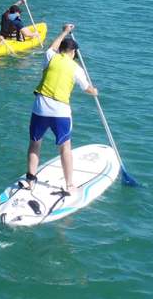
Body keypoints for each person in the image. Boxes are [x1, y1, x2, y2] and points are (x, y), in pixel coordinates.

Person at [25, 24, 98, 194]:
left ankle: (30, 180)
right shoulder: (76, 68)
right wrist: (94, 91)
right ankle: (70, 185)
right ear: (73, 53)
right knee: (65, 147)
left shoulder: (50, 56)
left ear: (61, 50)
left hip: (40, 107)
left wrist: (64, 32)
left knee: (34, 144)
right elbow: (87, 89)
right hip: (60, 111)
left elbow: (52, 46)